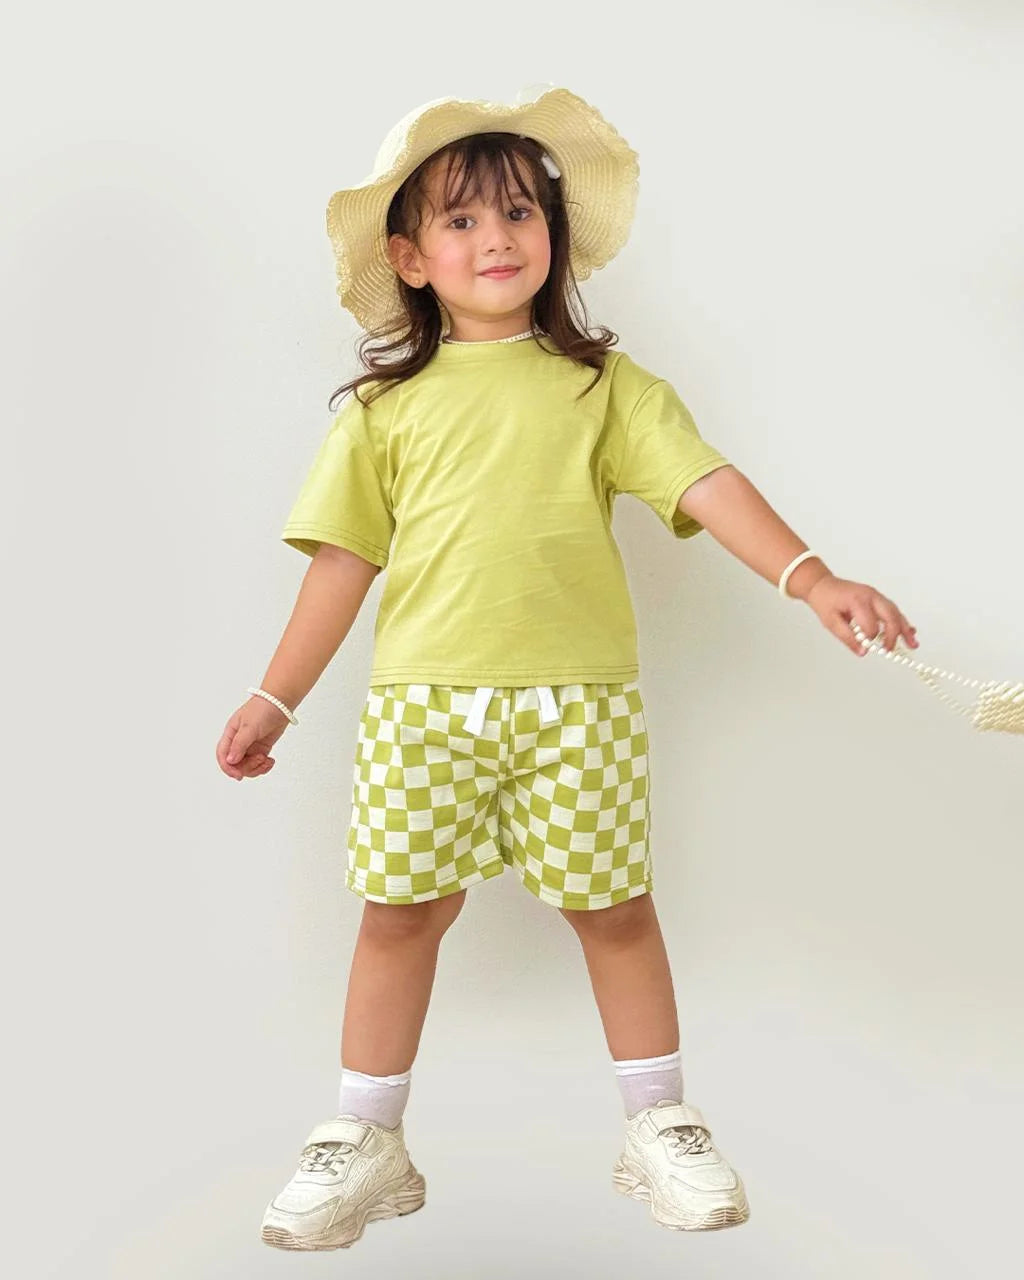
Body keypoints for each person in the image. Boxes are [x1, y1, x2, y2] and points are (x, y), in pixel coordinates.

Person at [215, 86, 919, 1251]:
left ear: (552, 236)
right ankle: (366, 1138)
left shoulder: (606, 388)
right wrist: (272, 694)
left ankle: (659, 1125)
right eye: (461, 221)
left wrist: (813, 575)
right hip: (421, 714)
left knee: (615, 910)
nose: (497, 238)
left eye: (518, 213)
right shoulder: (383, 413)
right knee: (397, 914)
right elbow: (340, 567)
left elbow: (708, 485)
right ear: (410, 257)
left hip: (577, 709)